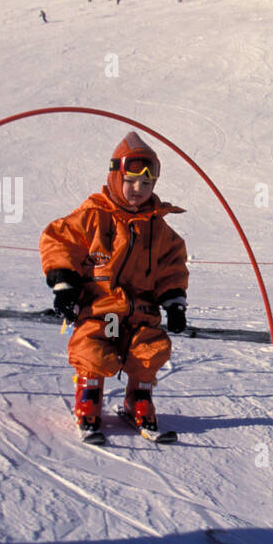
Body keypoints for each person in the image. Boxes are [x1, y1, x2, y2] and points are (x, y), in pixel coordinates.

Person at [39, 132, 189, 437]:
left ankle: (139, 398)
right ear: (115, 176)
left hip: (141, 311)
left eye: (146, 184)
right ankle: (89, 398)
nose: (138, 190)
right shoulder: (94, 215)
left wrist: (174, 302)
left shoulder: (158, 228)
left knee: (150, 348)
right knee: (94, 348)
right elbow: (59, 240)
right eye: (131, 181)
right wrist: (65, 285)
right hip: (101, 307)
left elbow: (172, 266)